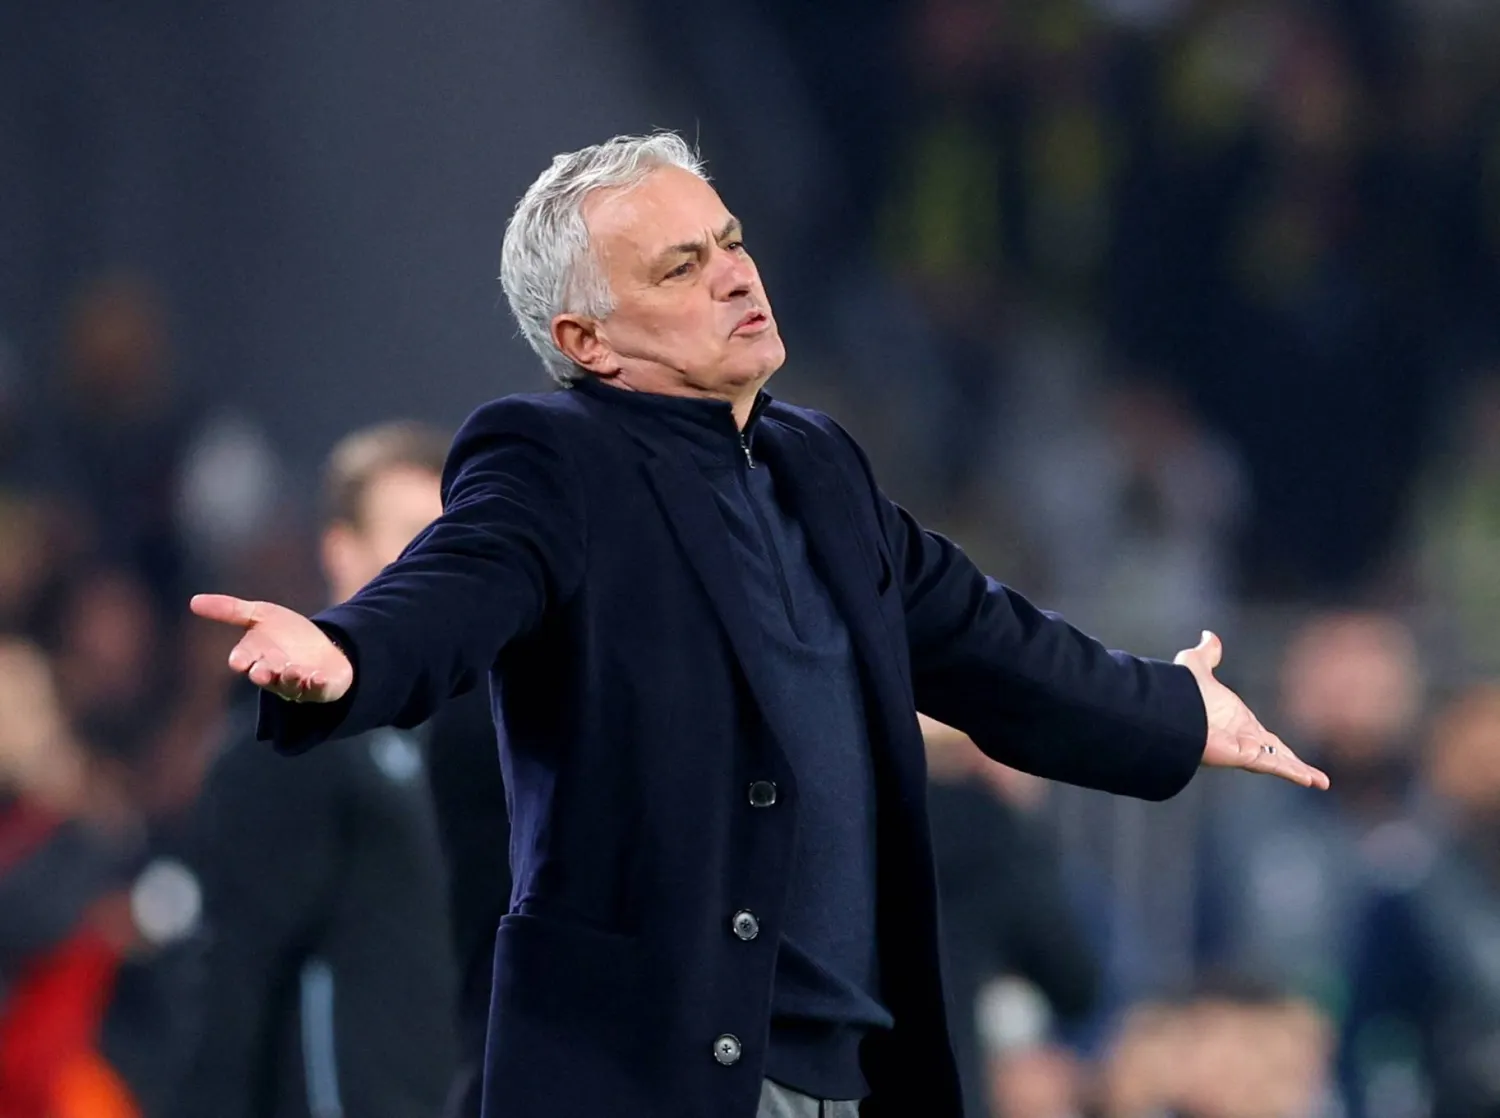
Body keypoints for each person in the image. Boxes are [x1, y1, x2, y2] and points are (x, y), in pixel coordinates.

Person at [189, 133, 1328, 1118]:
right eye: (682, 266)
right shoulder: (552, 457)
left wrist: (1174, 709)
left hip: (850, 1068)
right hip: (656, 1075)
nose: (736, 275)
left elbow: (984, 639)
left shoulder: (817, 463)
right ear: (588, 340)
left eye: (729, 241)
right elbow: (462, 574)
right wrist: (349, 651)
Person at [172, 423, 460, 1118]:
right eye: (412, 532)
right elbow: (237, 971)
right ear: (342, 548)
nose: (439, 554)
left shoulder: (486, 730)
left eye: (452, 533)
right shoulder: (291, 739)